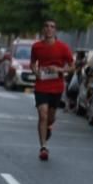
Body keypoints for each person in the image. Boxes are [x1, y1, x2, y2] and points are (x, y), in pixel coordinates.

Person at [30, 19, 74, 161]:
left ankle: (47, 128)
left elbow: (72, 66)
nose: (49, 29)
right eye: (46, 26)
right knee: (42, 115)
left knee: (50, 118)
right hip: (41, 85)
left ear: (55, 30)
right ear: (43, 29)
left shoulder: (63, 48)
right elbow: (32, 63)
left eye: (52, 27)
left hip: (56, 86)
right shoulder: (36, 47)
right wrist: (36, 72)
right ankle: (43, 147)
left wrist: (59, 69)